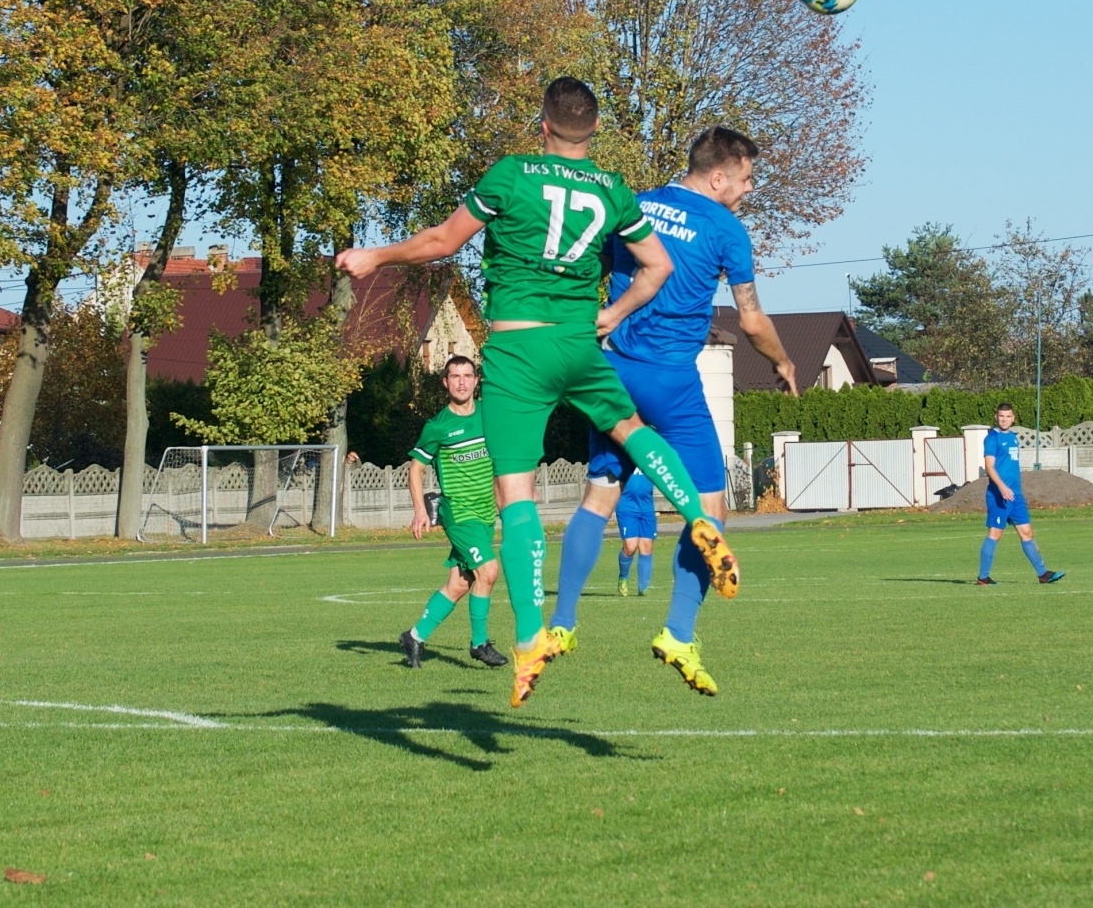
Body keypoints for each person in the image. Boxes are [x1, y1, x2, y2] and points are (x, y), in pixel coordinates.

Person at [336, 77, 737, 708]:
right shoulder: (611, 188)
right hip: (579, 344)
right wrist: (614, 313)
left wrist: (376, 257)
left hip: (519, 352)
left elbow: (442, 242)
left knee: (516, 495)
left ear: (542, 124)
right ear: (594, 129)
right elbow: (657, 266)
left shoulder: (512, 174)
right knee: (635, 430)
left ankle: (529, 642)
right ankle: (697, 519)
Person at [544, 126, 797, 696]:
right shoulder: (727, 229)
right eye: (746, 179)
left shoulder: (634, 206)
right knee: (711, 508)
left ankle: (561, 624)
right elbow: (752, 320)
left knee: (598, 497)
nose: (748, 191)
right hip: (672, 383)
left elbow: (594, 269)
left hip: (613, 371)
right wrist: (783, 363)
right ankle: (678, 632)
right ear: (718, 176)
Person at [398, 356, 508, 669]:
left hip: (486, 513)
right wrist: (421, 510)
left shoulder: (490, 412)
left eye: (467, 375)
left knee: (459, 584)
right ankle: (479, 644)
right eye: (454, 376)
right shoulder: (438, 426)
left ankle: (415, 636)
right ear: (445, 383)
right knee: (487, 572)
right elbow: (416, 469)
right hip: (459, 515)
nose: (461, 381)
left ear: (476, 380)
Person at [977, 403, 1065, 586]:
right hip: (999, 495)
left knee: (1027, 532)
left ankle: (1043, 574)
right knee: (995, 534)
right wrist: (1001, 487)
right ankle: (983, 578)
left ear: (1013, 418)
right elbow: (989, 466)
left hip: (1016, 496)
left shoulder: (1014, 438)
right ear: (996, 417)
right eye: (1001, 416)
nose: (1004, 419)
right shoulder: (992, 438)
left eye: (1008, 416)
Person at [615, 472, 657, 597]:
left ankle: (643, 588)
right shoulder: (624, 457)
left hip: (647, 507)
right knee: (630, 547)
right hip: (626, 507)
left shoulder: (651, 459)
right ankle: (623, 577)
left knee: (647, 547)